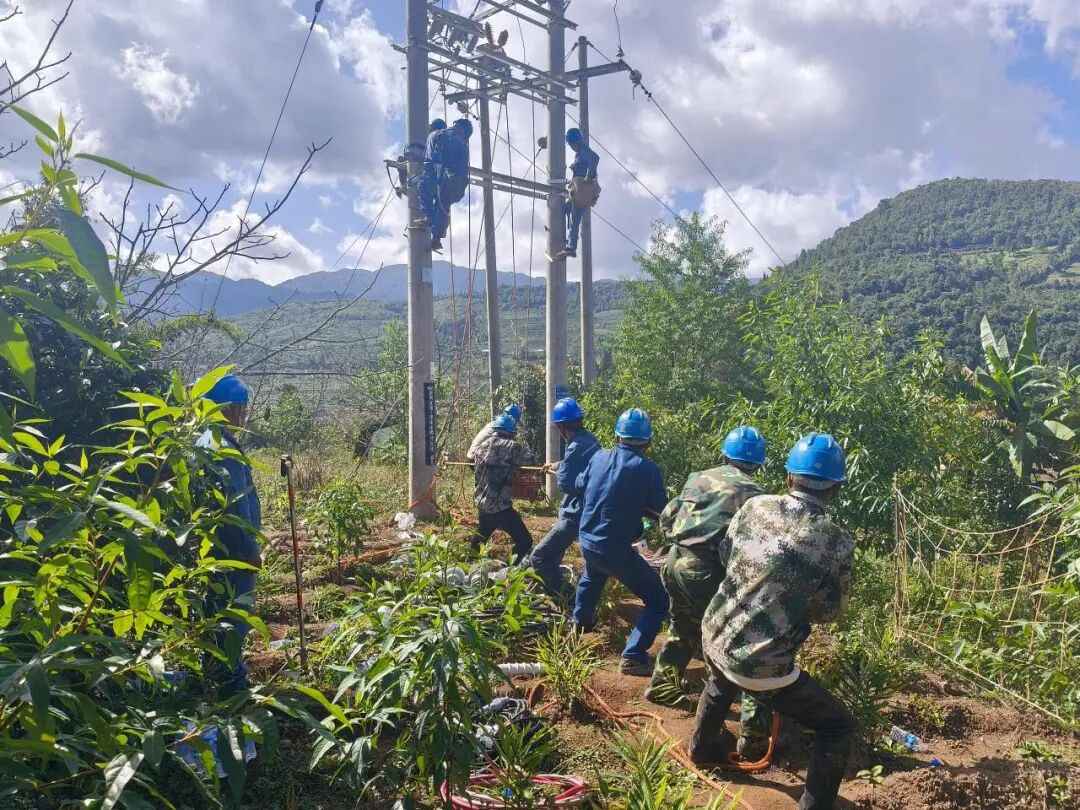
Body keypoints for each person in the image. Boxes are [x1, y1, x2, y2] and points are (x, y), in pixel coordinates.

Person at [692, 433, 856, 810]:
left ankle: (701, 750)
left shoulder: (754, 506)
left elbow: (727, 555)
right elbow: (829, 612)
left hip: (714, 633)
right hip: (762, 665)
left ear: (789, 477)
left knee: (721, 677)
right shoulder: (836, 541)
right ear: (836, 488)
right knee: (837, 726)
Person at [646, 426, 774, 756]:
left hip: (674, 561)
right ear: (757, 463)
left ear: (725, 454)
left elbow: (667, 516)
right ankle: (748, 730)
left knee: (684, 625)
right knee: (737, 640)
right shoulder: (755, 494)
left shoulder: (698, 478)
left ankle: (662, 685)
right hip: (705, 570)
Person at [573, 408, 669, 675]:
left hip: (587, 540)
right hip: (614, 549)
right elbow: (661, 510)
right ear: (647, 442)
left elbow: (580, 484)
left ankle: (579, 625)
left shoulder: (598, 457)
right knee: (659, 600)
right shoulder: (647, 469)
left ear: (617, 436)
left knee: (592, 576)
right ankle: (633, 656)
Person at [196, 374, 262, 695]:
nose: (243, 416)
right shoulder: (224, 449)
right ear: (228, 409)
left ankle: (213, 679)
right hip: (234, 554)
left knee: (214, 617)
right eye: (241, 409)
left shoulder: (203, 442)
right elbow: (235, 505)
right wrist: (250, 550)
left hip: (211, 551)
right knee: (233, 620)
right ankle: (231, 688)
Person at [529, 397, 600, 599]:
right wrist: (556, 465)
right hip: (585, 510)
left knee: (539, 557)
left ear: (561, 426)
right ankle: (551, 591)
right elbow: (576, 464)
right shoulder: (590, 441)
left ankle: (568, 599)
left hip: (574, 514)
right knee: (553, 556)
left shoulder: (574, 446)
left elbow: (566, 483)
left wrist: (561, 471)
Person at [471, 413, 535, 563]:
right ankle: (509, 569)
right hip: (501, 507)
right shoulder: (513, 447)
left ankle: (469, 567)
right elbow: (530, 460)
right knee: (525, 541)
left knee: (479, 541)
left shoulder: (480, 448)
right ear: (511, 432)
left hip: (483, 505)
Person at [421, 117, 473, 253]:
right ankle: (436, 237)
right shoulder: (463, 145)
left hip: (439, 178)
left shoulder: (437, 135)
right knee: (443, 206)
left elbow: (431, 162)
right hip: (457, 186)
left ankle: (429, 219)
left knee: (424, 188)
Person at [562, 127, 600, 259]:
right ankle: (568, 242)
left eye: (571, 144)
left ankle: (571, 247)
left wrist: (589, 176)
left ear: (575, 141)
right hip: (581, 190)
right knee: (566, 209)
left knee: (575, 217)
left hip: (583, 191)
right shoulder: (580, 153)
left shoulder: (583, 150)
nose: (571, 147)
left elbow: (595, 158)